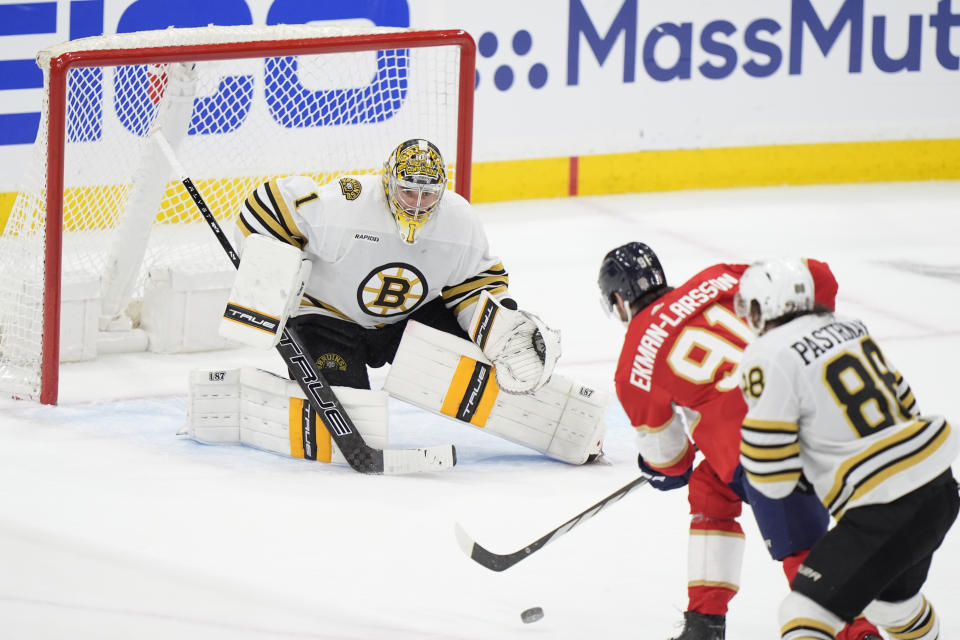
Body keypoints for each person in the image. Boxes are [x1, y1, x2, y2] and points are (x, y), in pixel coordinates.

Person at [183, 139, 606, 466]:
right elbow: (266, 207)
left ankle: (564, 426)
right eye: (407, 193)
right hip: (328, 319)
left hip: (406, 323)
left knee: (490, 360)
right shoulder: (344, 204)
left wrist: (498, 330)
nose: (418, 205)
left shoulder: (459, 221)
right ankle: (239, 400)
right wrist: (269, 276)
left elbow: (476, 284)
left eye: (428, 195)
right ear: (388, 182)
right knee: (353, 418)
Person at [597, 242, 880, 640]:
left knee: (803, 552)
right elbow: (819, 279)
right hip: (830, 407)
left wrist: (656, 469)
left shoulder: (634, 363)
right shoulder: (720, 276)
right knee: (711, 487)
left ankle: (858, 631)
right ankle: (704, 623)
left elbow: (671, 464)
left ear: (618, 300)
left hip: (766, 448)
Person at [734, 258, 959, 640]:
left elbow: (771, 475)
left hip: (884, 504)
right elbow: (905, 402)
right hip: (939, 487)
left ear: (763, 307)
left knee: (801, 611)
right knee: (891, 607)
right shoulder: (850, 327)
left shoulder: (767, 354)